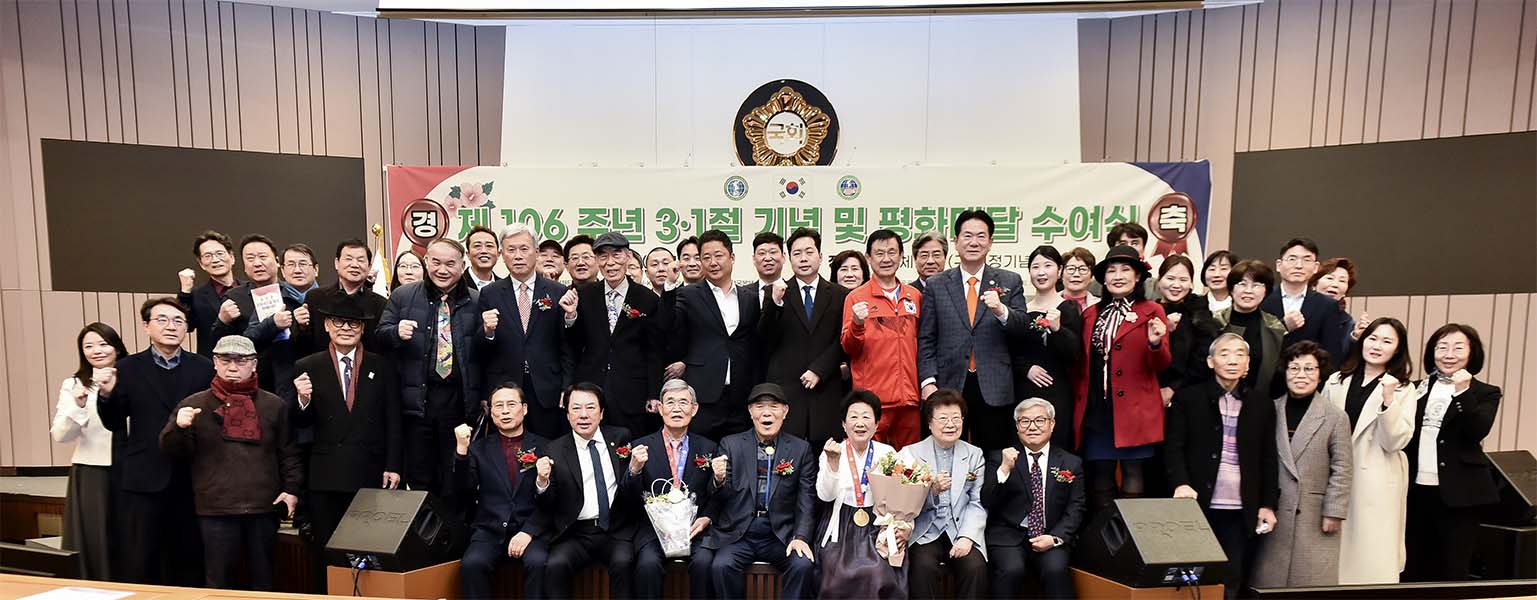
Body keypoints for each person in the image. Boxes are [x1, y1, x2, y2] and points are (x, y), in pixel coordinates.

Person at [159, 335, 301, 591]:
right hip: (215, 508)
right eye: (226, 360)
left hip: (263, 507)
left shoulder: (274, 405)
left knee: (264, 581)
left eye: (241, 360)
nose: (233, 367)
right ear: (215, 362)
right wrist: (179, 428)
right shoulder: (193, 405)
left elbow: (288, 452)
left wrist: (291, 490)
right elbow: (173, 451)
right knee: (218, 581)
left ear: (254, 364)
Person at [94, 297, 214, 585]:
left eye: (178, 321)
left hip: (191, 474)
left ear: (186, 328)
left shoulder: (203, 367)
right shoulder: (127, 367)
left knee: (189, 557)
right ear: (146, 326)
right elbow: (114, 422)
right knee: (142, 556)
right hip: (144, 475)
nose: (171, 326)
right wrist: (106, 395)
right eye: (162, 320)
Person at [289, 293, 402, 578]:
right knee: (326, 553)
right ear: (327, 325)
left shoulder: (381, 366)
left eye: (354, 323)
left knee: (368, 552)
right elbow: (299, 424)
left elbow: (393, 419)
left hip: (370, 470)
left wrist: (393, 465)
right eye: (339, 322)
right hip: (326, 474)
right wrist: (302, 399)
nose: (346, 328)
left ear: (362, 328)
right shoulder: (307, 366)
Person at [1164, 333, 1279, 598]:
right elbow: (1173, 448)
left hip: (1241, 507)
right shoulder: (1188, 399)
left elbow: (1269, 458)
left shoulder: (1262, 404)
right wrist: (1181, 483)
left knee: (1231, 578)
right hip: (1196, 503)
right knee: (1190, 578)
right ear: (1210, 361)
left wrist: (1268, 504)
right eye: (1224, 354)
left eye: (1240, 354)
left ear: (1248, 363)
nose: (1232, 360)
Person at [377, 238, 483, 499]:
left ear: (463, 265)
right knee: (420, 477)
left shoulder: (477, 300)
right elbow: (379, 335)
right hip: (417, 404)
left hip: (459, 403)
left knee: (455, 475)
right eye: (436, 262)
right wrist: (395, 332)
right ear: (426, 262)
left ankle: (452, 523)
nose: (442, 270)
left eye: (450, 264)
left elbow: (486, 352)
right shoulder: (403, 296)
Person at [919, 210, 1029, 451]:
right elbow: (926, 338)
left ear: (990, 242)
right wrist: (928, 381)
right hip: (948, 384)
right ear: (956, 241)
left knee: (993, 455)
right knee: (945, 450)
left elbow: (1023, 328)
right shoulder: (937, 284)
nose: (974, 242)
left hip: (994, 385)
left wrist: (1001, 311)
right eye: (967, 236)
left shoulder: (1009, 281)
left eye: (981, 236)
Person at [1073, 245, 1171, 511]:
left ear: (1137, 276)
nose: (1118, 276)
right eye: (1111, 271)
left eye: (1125, 270)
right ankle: (1105, 533)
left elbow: (1161, 364)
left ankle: (1129, 534)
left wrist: (1155, 343)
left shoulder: (1152, 310)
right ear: (1103, 279)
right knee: (1100, 476)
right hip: (1097, 409)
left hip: (1134, 410)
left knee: (1133, 472)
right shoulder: (1091, 314)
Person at [1403, 324, 1502, 582]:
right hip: (1414, 491)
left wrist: (1463, 392)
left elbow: (1477, 431)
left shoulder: (1485, 392)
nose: (1449, 354)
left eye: (1458, 348)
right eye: (1442, 347)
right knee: (1412, 567)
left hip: (1460, 494)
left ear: (1471, 353)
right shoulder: (1414, 389)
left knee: (1453, 569)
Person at [1320, 316, 1414, 584]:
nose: (1376, 346)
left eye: (1387, 341)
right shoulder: (1336, 380)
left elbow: (1395, 442)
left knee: (1370, 558)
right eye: (1372, 338)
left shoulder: (1404, 388)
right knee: (1334, 556)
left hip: (1376, 481)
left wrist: (1388, 401)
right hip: (1335, 476)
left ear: (1397, 349)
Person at [1252, 341, 1352, 588]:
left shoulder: (1335, 416)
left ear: (1320, 374)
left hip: (1313, 514)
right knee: (1268, 582)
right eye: (1294, 368)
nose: (1301, 375)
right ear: (1285, 372)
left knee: (1310, 583)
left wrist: (1334, 511)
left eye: (1309, 368)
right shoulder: (1269, 409)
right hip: (1273, 510)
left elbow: (1342, 467)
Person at [706, 383, 818, 599]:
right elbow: (719, 497)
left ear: (785, 411)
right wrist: (718, 480)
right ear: (750, 412)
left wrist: (801, 536)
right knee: (721, 566)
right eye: (759, 406)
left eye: (774, 406)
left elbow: (806, 499)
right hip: (740, 534)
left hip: (780, 535)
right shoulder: (731, 445)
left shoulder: (800, 449)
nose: (767, 413)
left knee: (802, 565)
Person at [534, 382, 640, 599]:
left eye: (590, 407)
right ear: (567, 414)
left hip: (615, 530)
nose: (583, 415)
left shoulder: (621, 438)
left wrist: (634, 470)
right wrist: (542, 482)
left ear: (601, 413)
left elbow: (631, 490)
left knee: (624, 563)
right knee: (555, 565)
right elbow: (547, 504)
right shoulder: (554, 449)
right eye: (576, 408)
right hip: (575, 533)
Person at [453, 382, 551, 599]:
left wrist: (529, 532)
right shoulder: (478, 449)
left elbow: (553, 499)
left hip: (531, 530)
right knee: (471, 564)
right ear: (490, 412)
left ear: (524, 408)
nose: (505, 411)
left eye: (511, 404)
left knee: (539, 563)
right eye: (498, 405)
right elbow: (462, 489)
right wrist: (461, 450)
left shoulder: (546, 447)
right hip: (490, 530)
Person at [660, 229, 760, 440]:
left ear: (732, 258)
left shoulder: (749, 297)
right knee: (701, 454)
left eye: (718, 255)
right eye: (706, 257)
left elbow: (754, 342)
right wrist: (668, 287)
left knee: (737, 454)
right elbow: (668, 327)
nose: (713, 262)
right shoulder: (688, 294)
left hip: (740, 395)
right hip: (704, 395)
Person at [983, 398, 1086, 599]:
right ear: (1017, 426)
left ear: (1052, 424)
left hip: (1050, 533)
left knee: (1055, 570)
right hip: (1008, 536)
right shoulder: (999, 458)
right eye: (1025, 421)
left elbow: (1077, 507)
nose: (1032, 427)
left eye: (1039, 420)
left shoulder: (1070, 462)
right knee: (1011, 570)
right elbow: (987, 500)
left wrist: (1055, 537)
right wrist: (1004, 469)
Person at [477, 224, 573, 439]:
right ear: (502, 255)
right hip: (506, 390)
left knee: (549, 448)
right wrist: (487, 331)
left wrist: (567, 387)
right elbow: (480, 350)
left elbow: (566, 345)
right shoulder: (490, 293)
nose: (518, 256)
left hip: (548, 388)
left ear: (536, 252)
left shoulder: (557, 291)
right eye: (511, 250)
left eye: (524, 249)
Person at [567, 231, 666, 436]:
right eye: (603, 256)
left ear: (628, 256)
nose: (610, 263)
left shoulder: (647, 298)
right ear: (597, 260)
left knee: (631, 447)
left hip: (632, 391)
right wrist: (571, 317)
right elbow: (573, 345)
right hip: (592, 390)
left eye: (616, 255)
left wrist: (653, 393)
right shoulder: (584, 295)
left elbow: (654, 351)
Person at [51, 323, 128, 581]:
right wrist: (78, 406)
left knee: (131, 534)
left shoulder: (133, 377)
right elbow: (61, 435)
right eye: (88, 346)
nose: (97, 350)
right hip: (93, 470)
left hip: (132, 467)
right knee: (95, 537)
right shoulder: (74, 384)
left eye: (103, 344)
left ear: (117, 347)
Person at [759, 227, 849, 446]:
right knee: (788, 456)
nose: (803, 258)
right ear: (788, 258)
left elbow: (843, 340)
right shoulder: (775, 292)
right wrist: (775, 303)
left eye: (809, 252)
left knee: (827, 454)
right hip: (789, 392)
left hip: (826, 390)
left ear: (820, 255)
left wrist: (819, 369)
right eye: (797, 253)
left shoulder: (840, 294)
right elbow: (764, 339)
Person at [630, 380, 720, 599]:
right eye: (670, 402)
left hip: (694, 530)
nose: (677, 408)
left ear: (694, 409)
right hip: (654, 531)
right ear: (660, 409)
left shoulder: (708, 447)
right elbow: (628, 498)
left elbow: (716, 495)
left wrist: (707, 517)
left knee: (704, 563)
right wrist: (634, 470)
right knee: (647, 565)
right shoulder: (641, 446)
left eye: (683, 402)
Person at [817, 391, 904, 599]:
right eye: (853, 417)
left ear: (876, 424)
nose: (860, 423)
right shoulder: (832, 451)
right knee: (835, 576)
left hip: (877, 525)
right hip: (841, 525)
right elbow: (825, 496)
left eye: (866, 417)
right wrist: (833, 464)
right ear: (844, 424)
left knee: (878, 573)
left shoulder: (887, 453)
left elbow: (898, 497)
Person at [841, 230, 924, 447]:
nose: (886, 259)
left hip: (909, 399)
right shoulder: (856, 297)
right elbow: (849, 348)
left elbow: (924, 344)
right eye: (879, 253)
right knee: (869, 459)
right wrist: (857, 323)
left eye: (891, 252)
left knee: (909, 461)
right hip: (872, 401)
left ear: (901, 256)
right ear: (869, 258)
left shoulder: (914, 296)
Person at [903, 390, 988, 600]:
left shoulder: (974, 454)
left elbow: (977, 502)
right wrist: (931, 491)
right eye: (943, 419)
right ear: (929, 423)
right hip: (925, 530)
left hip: (960, 529)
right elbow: (904, 503)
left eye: (956, 418)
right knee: (922, 567)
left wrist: (967, 537)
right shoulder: (910, 454)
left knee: (975, 567)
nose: (950, 424)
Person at [1016, 245, 1084, 450]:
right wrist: (1026, 368)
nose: (1041, 272)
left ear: (1060, 270)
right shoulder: (1020, 309)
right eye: (1035, 267)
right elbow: (1008, 350)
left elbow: (1075, 354)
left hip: (1056, 390)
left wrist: (1058, 329)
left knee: (1057, 446)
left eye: (1048, 266)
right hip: (1023, 389)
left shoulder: (1068, 308)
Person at [245, 242, 318, 395]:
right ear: (283, 271)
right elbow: (248, 339)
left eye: (303, 264)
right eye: (290, 265)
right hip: (282, 383)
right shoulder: (270, 298)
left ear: (316, 269)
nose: (297, 270)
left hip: (320, 375)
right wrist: (273, 323)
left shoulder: (325, 299)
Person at [1262, 238, 1352, 359]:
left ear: (1315, 267)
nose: (1299, 266)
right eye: (1292, 259)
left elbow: (1332, 352)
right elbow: (1255, 340)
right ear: (1279, 265)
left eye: (1307, 260)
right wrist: (1282, 326)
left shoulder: (1328, 305)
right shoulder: (1262, 298)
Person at [1213, 260, 1288, 402]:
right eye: (1242, 284)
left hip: (1259, 403)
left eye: (1256, 285)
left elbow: (1279, 375)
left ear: (1266, 291)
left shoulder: (1275, 328)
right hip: (1213, 401)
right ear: (1231, 289)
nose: (1248, 290)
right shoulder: (1214, 322)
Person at [301, 239, 388, 353]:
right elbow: (304, 345)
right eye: (348, 259)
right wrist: (301, 326)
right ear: (337, 263)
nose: (354, 265)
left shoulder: (380, 304)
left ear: (369, 266)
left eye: (361, 260)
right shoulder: (316, 298)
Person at [1155, 255, 1220, 404]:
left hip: (1190, 393)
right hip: (1150, 392)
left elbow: (1204, 354)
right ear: (1159, 280)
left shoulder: (1199, 311)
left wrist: (1173, 388)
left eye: (1183, 280)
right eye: (1170, 278)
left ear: (1191, 283)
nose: (1176, 285)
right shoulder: (1149, 311)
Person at [210, 234, 280, 350]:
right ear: (244, 266)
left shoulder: (291, 292)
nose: (257, 263)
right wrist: (222, 321)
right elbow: (218, 345)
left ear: (277, 261)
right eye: (250, 259)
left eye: (262, 257)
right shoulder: (234, 297)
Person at [179, 230, 243, 356]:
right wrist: (185, 292)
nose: (215, 260)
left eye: (220, 253)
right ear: (201, 264)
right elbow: (186, 326)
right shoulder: (196, 295)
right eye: (207, 256)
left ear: (232, 257)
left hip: (251, 362)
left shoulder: (250, 289)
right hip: (211, 362)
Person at [1311, 257, 1366, 340]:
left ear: (1345, 293)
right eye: (1330, 278)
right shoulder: (1299, 310)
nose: (1335, 284)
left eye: (1342, 281)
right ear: (1314, 285)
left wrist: (1356, 336)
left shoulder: (1348, 324)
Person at [746, 231, 786, 306]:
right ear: (754, 259)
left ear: (783, 257)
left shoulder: (795, 292)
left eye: (773, 252)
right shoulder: (742, 294)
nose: (767, 258)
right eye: (762, 253)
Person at [1060, 247, 1098, 312]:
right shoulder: (1049, 303)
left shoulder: (1101, 307)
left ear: (1091, 276)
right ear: (1061, 274)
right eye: (1071, 269)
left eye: (1083, 269)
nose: (1076, 274)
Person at [465, 225, 503, 290]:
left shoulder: (507, 287)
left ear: (498, 253)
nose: (484, 251)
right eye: (477, 246)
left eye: (489, 246)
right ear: (468, 254)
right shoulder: (455, 285)